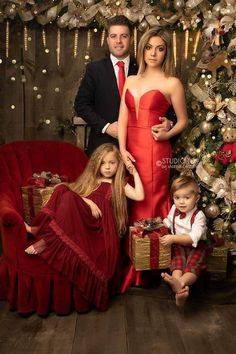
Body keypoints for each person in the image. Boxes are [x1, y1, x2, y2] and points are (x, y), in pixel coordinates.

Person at [24, 143, 144, 312]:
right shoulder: (92, 180)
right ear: (97, 164)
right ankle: (41, 232)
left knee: (68, 196)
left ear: (119, 164)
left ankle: (45, 238)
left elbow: (140, 195)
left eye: (112, 163)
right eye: (103, 163)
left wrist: (134, 172)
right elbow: (67, 190)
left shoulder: (119, 184)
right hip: (83, 221)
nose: (108, 167)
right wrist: (87, 201)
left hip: (100, 227)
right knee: (62, 191)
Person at [118, 27, 188, 291]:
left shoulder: (172, 83)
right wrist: (122, 149)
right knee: (131, 203)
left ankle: (150, 267)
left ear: (166, 52)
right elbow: (123, 117)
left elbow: (183, 120)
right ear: (142, 49)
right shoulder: (131, 80)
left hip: (155, 150)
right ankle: (132, 260)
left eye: (160, 48)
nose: (153, 53)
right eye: (149, 47)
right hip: (131, 148)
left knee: (150, 199)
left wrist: (167, 131)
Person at [74, 16, 171, 155]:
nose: (118, 41)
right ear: (108, 40)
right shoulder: (94, 69)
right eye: (113, 36)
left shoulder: (143, 68)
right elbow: (81, 104)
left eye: (123, 36)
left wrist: (169, 123)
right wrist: (106, 127)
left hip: (140, 147)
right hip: (103, 147)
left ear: (131, 39)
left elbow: (166, 104)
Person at [160, 175, 207, 306]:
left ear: (196, 198)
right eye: (177, 198)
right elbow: (169, 222)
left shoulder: (199, 216)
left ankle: (180, 283)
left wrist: (173, 238)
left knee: (192, 265)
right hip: (178, 245)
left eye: (187, 198)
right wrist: (159, 225)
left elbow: (193, 238)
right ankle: (178, 288)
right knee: (177, 262)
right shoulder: (175, 209)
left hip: (196, 246)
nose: (181, 202)